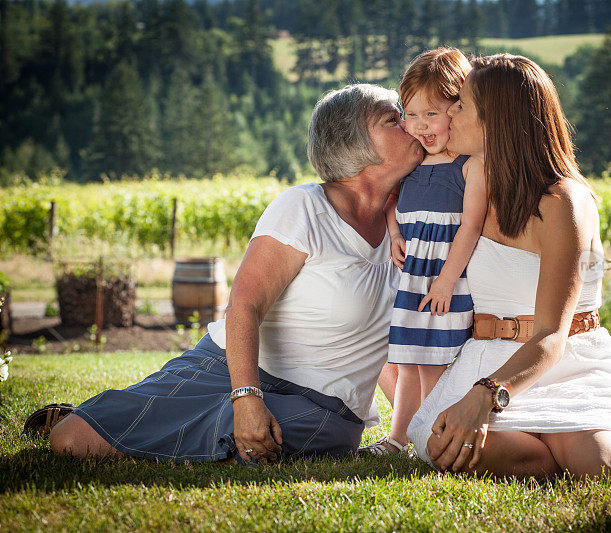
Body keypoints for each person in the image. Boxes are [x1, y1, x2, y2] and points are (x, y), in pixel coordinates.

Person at [35, 84, 424, 463]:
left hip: (320, 408)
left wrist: (408, 434)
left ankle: (136, 429)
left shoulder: (414, 222)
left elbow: (387, 347)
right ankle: (103, 421)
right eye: (394, 119)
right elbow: (245, 305)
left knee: (268, 438)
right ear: (352, 143)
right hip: (227, 367)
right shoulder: (304, 208)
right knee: (71, 440)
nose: (411, 124)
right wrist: (247, 396)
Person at [406, 54, 611, 482]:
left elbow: (551, 335)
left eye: (460, 105)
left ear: (496, 119)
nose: (449, 114)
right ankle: (557, 450)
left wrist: (484, 397)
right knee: (448, 446)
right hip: (487, 355)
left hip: (566, 363)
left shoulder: (562, 202)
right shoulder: (473, 188)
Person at [360, 48, 488, 455]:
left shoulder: (468, 165)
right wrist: (395, 233)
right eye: (410, 115)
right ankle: (400, 439)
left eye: (432, 114)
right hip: (412, 276)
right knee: (410, 360)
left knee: (433, 363)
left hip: (443, 279)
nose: (419, 126)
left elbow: (471, 226)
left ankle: (433, 437)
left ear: (458, 108)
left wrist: (447, 281)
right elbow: (391, 201)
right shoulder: (413, 160)